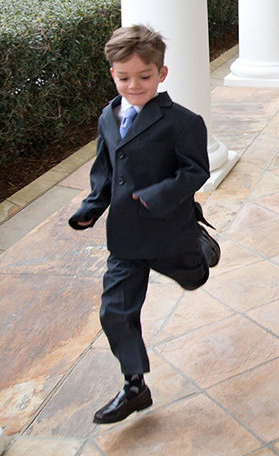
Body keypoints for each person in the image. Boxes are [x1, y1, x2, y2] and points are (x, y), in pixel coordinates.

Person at [67, 24, 221, 424]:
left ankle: (199, 248)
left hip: (169, 231)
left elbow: (195, 172)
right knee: (114, 311)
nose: (133, 86)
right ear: (113, 74)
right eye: (124, 77)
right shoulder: (108, 116)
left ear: (162, 74)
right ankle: (135, 385)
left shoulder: (184, 122)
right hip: (127, 237)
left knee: (194, 279)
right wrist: (92, 205)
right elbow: (105, 169)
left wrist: (158, 196)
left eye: (144, 76)